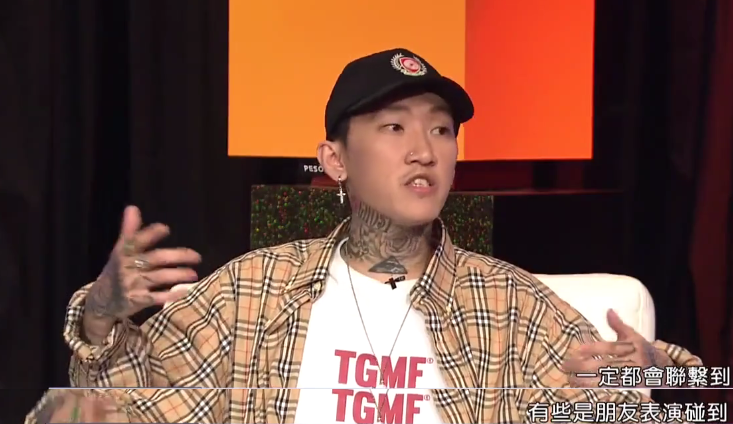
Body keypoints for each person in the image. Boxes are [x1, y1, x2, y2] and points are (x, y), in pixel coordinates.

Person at [28, 48, 701, 424]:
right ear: (335, 160)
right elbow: (101, 411)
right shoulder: (253, 292)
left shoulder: (510, 307)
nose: (424, 150)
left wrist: (664, 380)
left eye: (441, 130)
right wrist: (98, 317)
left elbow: (691, 404)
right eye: (393, 127)